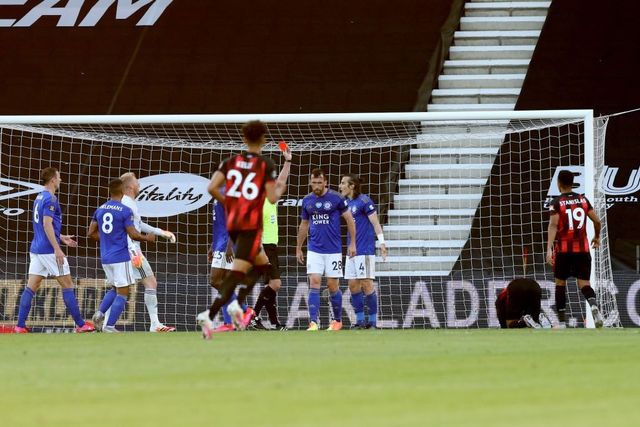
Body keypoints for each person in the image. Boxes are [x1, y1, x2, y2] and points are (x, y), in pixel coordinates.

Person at [197, 120, 285, 339]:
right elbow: (273, 198)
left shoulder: (230, 162)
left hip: (234, 227)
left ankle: (237, 311)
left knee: (249, 270)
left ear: (244, 138)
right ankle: (237, 312)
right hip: (249, 227)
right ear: (264, 139)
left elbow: (211, 188)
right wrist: (280, 187)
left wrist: (231, 204)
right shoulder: (265, 165)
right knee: (258, 268)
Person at [14, 167, 96, 333]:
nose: (60, 180)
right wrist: (57, 248)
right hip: (49, 251)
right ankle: (81, 325)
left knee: (32, 286)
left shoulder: (39, 197)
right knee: (68, 285)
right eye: (58, 177)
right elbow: (46, 224)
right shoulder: (51, 198)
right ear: (52, 179)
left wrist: (61, 236)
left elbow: (44, 226)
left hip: (36, 249)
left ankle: (20, 326)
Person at [89, 179, 155, 333]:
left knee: (115, 288)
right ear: (123, 191)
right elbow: (133, 234)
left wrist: (107, 239)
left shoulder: (100, 209)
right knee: (124, 292)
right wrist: (147, 238)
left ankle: (99, 314)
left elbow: (91, 233)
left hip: (105, 257)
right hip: (120, 256)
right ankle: (110, 326)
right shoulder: (125, 210)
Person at [296, 168, 356, 331]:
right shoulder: (307, 200)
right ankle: (313, 322)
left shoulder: (336, 198)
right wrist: (298, 248)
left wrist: (352, 244)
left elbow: (350, 220)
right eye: (313, 182)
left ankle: (337, 321)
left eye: (319, 182)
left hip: (334, 250)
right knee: (314, 282)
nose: (316, 185)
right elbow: (304, 225)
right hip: (314, 249)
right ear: (310, 182)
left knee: (332, 286)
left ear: (325, 182)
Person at [117, 172, 176, 332]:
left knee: (121, 288)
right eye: (137, 182)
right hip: (132, 251)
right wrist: (132, 251)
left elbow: (139, 224)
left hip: (127, 250)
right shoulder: (127, 204)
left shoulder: (129, 203)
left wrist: (161, 232)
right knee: (150, 283)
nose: (139, 185)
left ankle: (102, 317)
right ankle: (155, 324)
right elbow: (126, 230)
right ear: (130, 187)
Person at [546, 170, 604, 328]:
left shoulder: (556, 202)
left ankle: (562, 322)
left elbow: (553, 225)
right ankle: (593, 306)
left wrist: (549, 249)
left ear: (558, 183)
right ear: (573, 183)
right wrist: (597, 237)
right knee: (584, 283)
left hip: (564, 251)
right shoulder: (583, 200)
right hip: (582, 250)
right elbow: (597, 222)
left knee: (560, 283)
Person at [251, 145, 292, 331]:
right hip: (263, 246)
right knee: (276, 283)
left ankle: (275, 323)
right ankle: (252, 315)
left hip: (271, 245)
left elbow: (282, 181)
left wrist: (288, 161)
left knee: (270, 286)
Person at [338, 174, 387, 329]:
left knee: (366, 284)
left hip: (365, 249)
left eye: (343, 183)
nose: (340, 186)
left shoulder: (365, 201)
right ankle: (359, 321)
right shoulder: (345, 203)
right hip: (351, 250)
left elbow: (376, 223)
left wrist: (382, 243)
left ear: (352, 186)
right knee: (353, 285)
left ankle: (372, 323)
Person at [207, 187, 244, 333]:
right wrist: (212, 246)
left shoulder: (228, 194)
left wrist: (229, 245)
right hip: (220, 243)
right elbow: (219, 225)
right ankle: (231, 323)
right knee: (222, 283)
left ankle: (245, 310)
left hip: (227, 244)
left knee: (215, 280)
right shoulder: (217, 195)